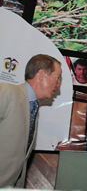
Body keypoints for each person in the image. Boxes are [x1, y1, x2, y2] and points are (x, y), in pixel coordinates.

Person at [0, 54, 62, 188]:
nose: (58, 85)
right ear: (41, 74)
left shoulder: (33, 108)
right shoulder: (6, 92)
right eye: (57, 78)